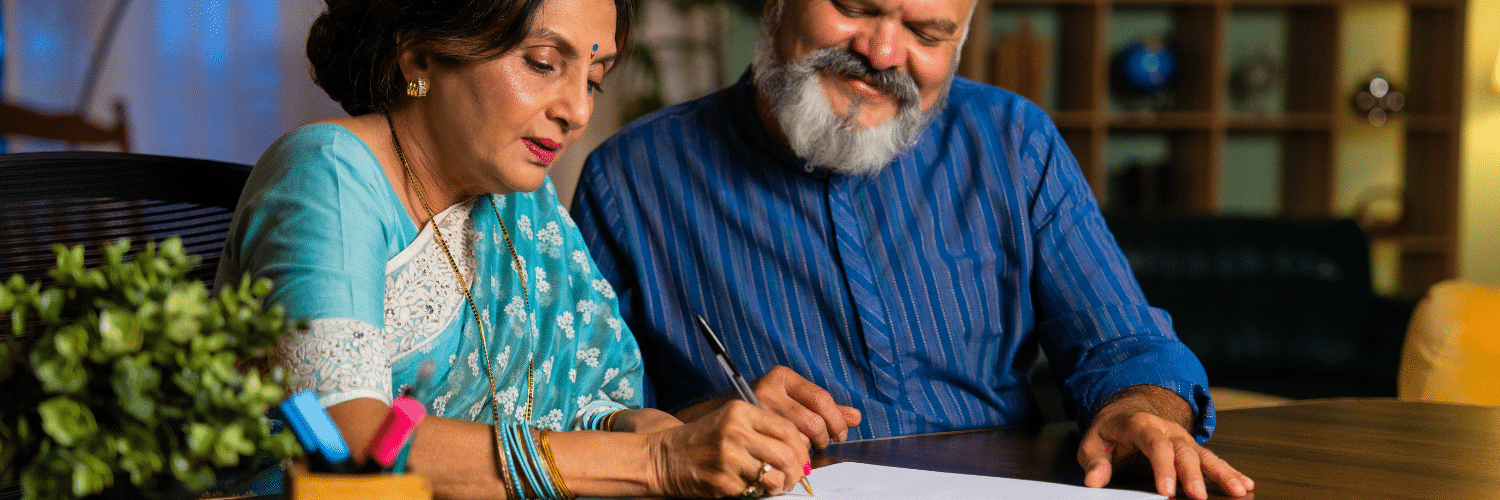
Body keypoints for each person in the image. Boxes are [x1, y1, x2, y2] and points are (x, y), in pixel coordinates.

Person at [571, 0, 1256, 497]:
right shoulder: (633, 178)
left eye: (928, 32)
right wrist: (699, 422)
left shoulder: (1014, 142)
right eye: (855, 7)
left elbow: (1124, 344)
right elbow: (588, 423)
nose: (884, 52)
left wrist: (1143, 409)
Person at [216, 0, 813, 498]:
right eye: (543, 63)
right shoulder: (329, 174)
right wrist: (652, 460)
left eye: (593, 80)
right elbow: (353, 442)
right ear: (420, 55)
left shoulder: (521, 205)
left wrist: (670, 424)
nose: (577, 111)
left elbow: (585, 401)